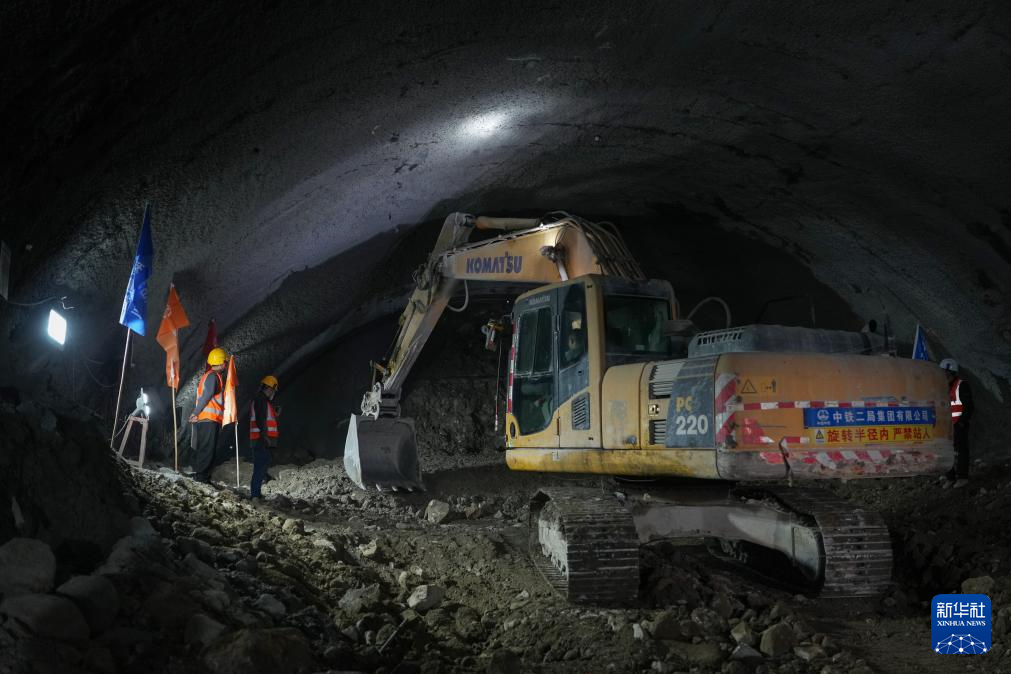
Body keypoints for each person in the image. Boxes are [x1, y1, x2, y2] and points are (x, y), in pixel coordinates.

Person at [188, 347, 228, 483]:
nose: (226, 364)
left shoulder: (211, 376)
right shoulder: (212, 376)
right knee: (207, 449)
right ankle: (201, 477)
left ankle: (204, 476)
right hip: (208, 419)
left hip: (209, 419)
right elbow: (207, 395)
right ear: (221, 362)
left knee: (207, 449)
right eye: (225, 362)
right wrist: (195, 413)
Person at [940, 358, 974, 487]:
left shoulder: (961, 385)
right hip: (945, 426)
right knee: (945, 451)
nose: (944, 375)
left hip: (958, 424)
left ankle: (962, 477)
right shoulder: (941, 387)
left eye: (945, 373)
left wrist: (961, 422)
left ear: (952, 373)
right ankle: (950, 477)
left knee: (961, 450)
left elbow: (968, 406)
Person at [249, 374, 281, 500]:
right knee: (260, 465)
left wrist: (275, 415)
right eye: (273, 390)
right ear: (270, 388)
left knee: (263, 463)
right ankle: (255, 495)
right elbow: (260, 419)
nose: (274, 393)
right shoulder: (261, 399)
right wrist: (265, 436)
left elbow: (265, 418)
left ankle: (256, 493)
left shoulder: (263, 401)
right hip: (260, 439)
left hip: (260, 438)